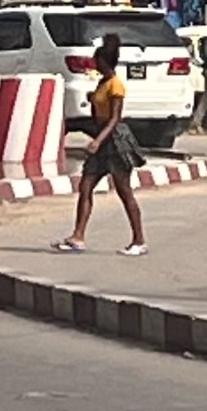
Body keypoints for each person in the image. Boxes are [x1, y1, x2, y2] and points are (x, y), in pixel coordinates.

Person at [53, 35, 148, 255]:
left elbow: (115, 118)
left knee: (124, 191)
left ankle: (139, 240)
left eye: (98, 61)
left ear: (105, 62)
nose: (95, 65)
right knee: (86, 186)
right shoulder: (102, 83)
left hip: (115, 139)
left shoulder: (116, 85)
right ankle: (78, 236)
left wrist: (97, 140)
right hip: (103, 137)